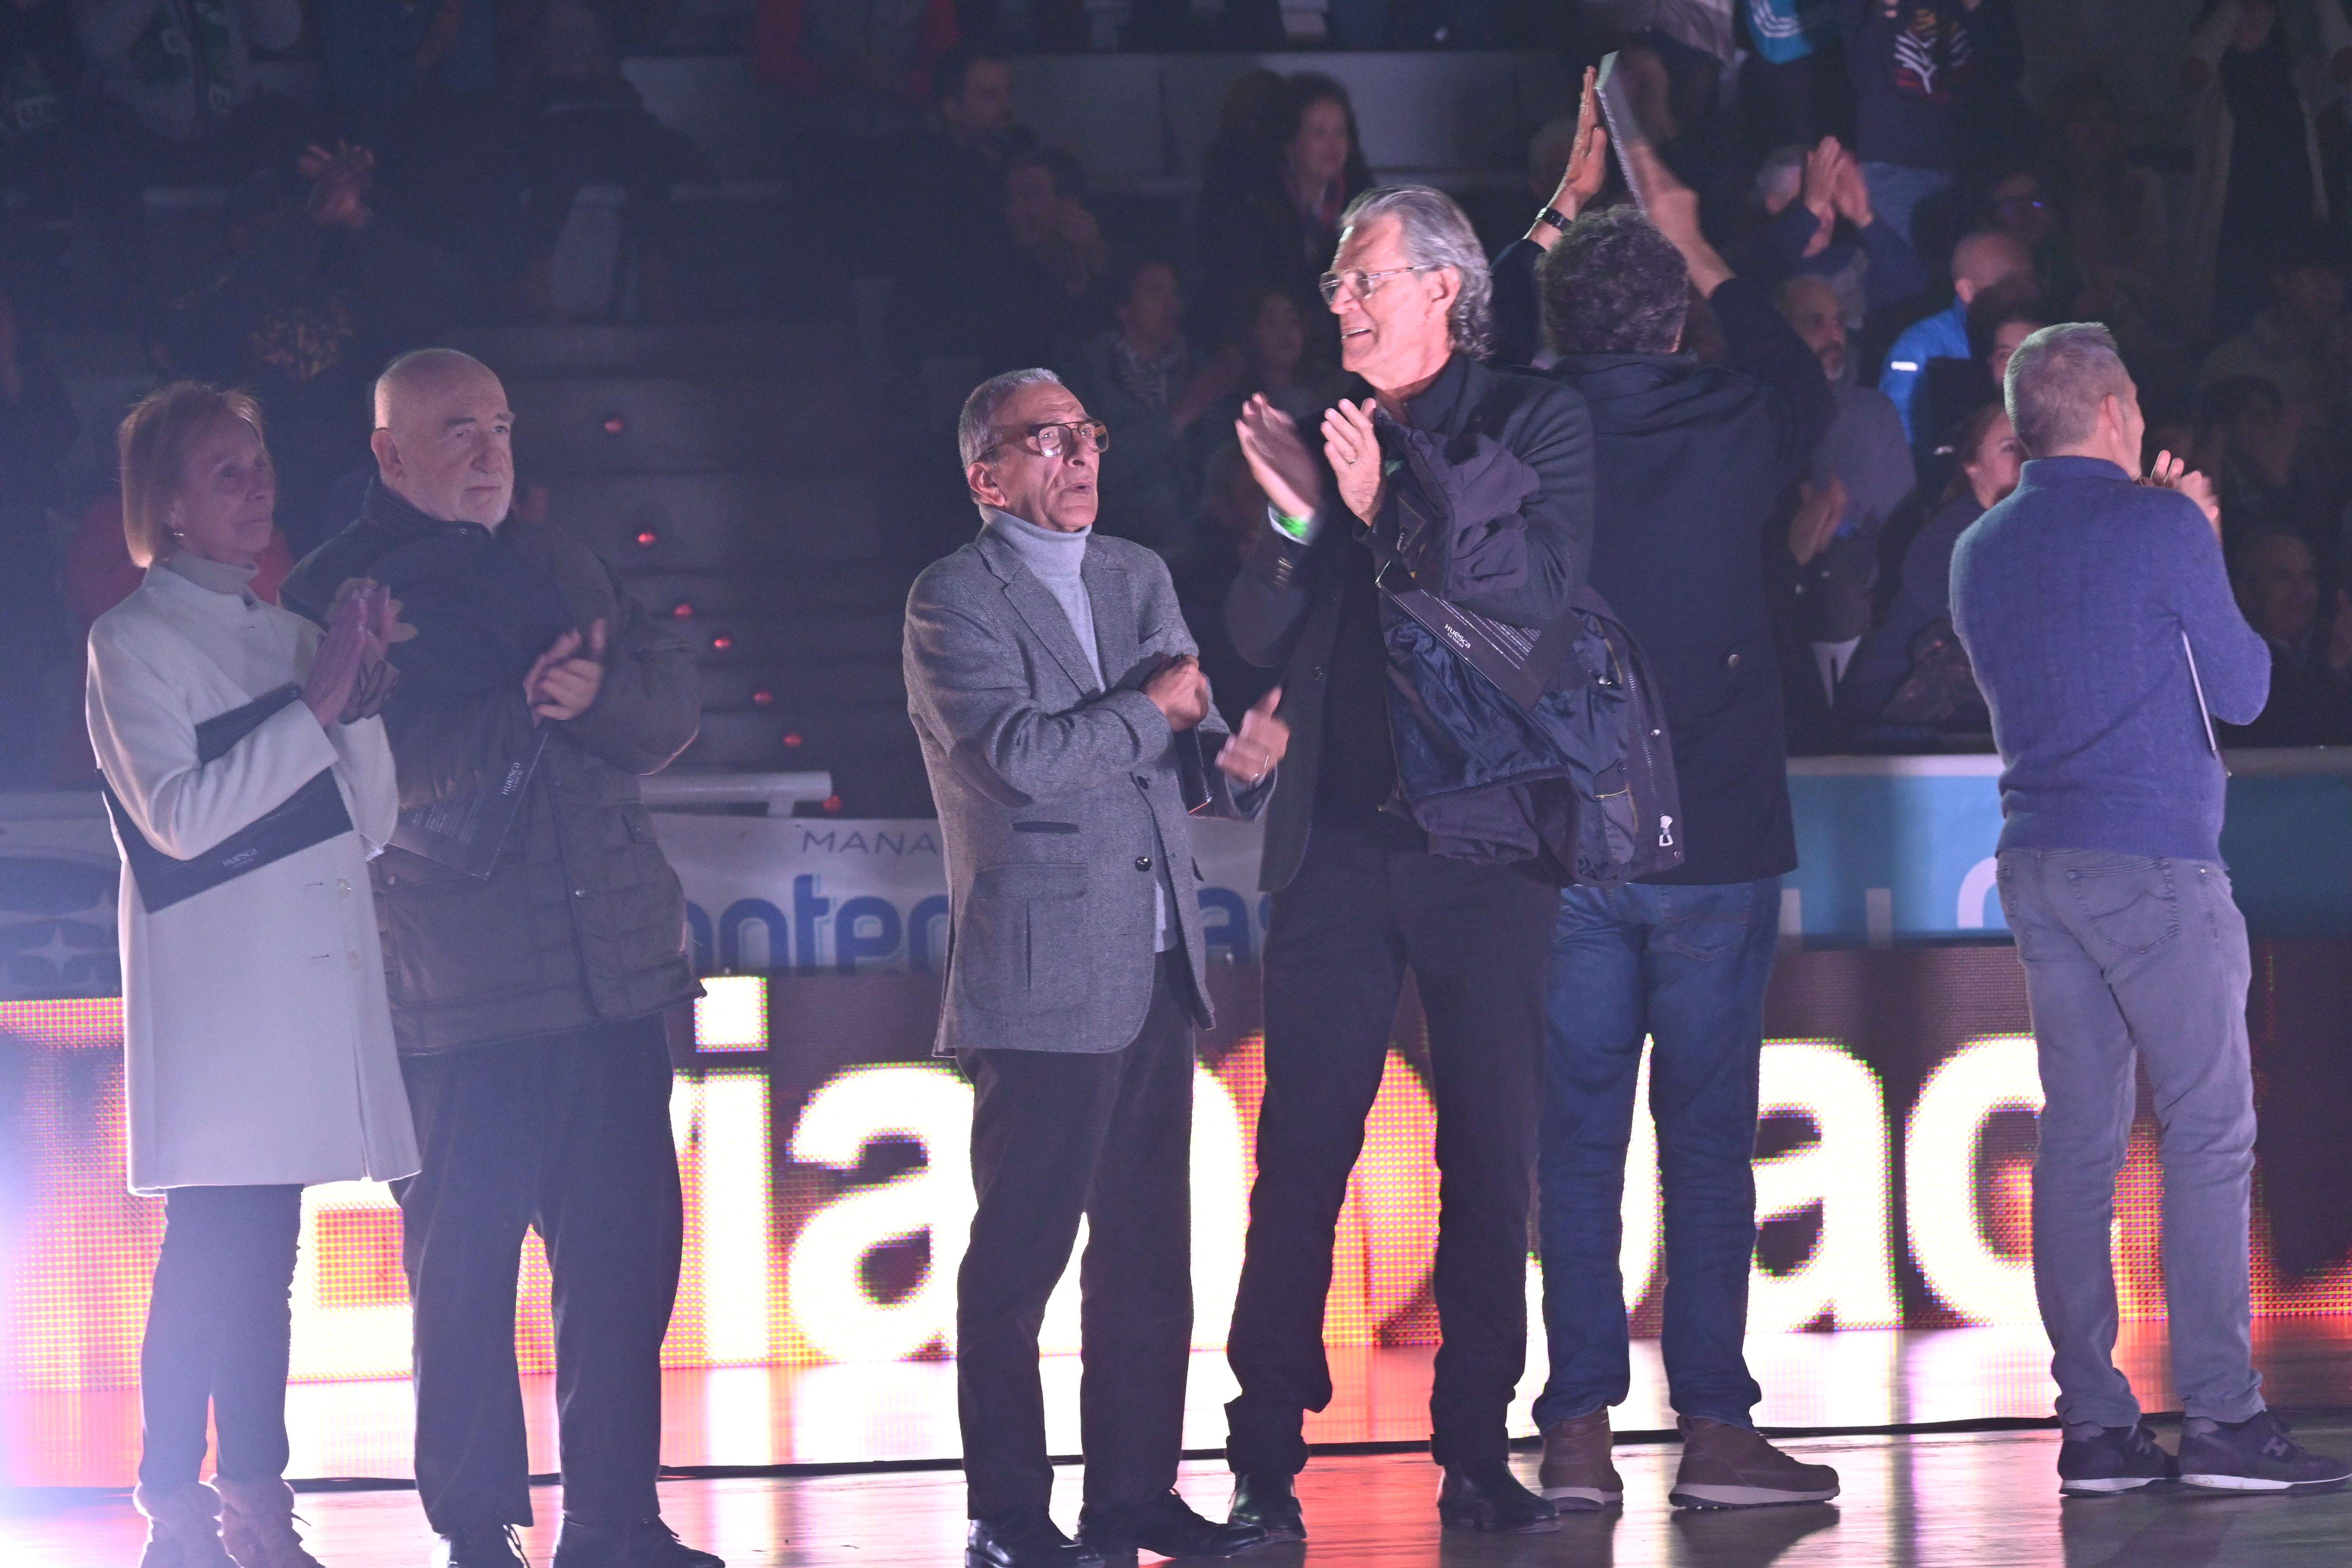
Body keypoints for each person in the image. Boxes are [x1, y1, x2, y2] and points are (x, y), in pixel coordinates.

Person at [280, 349, 715, 1568]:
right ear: (387, 454)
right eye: (458, 430)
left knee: (624, 1271)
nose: (489, 452)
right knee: (462, 1287)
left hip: (608, 975)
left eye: (503, 429)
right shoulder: (329, 596)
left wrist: (594, 699)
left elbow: (668, 702)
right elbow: (380, 782)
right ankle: (478, 1532)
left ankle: (619, 1524)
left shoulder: (560, 556)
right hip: (454, 1001)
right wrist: (528, 707)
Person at [1221, 184, 1593, 1540]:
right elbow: (1257, 630)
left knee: (1490, 1153)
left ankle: (1475, 1443)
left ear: (1443, 287)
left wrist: (1383, 506)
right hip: (1335, 841)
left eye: (1362, 276)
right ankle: (1264, 1446)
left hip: (1484, 843)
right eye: (1332, 281)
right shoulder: (1333, 430)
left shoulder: (1527, 420)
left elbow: (1527, 606)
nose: (1339, 300)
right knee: (1300, 1148)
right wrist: (1294, 525)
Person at [1949, 321, 2351, 1497]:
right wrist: (2205, 541)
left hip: (2039, 860)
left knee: (2079, 1144)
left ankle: (2097, 1428)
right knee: (2209, 1134)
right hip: (2157, 867)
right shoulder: (2163, 524)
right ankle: (2223, 1418)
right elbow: (2246, 684)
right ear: (2116, 412)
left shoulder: (1979, 547)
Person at [904, 368, 1285, 1568]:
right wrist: (1159, 717)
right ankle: (1008, 1512)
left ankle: (1132, 1498)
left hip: (1159, 958)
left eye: (1089, 434)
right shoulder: (952, 599)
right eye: (1046, 439)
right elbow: (1017, 757)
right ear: (988, 475)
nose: (1078, 456)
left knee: (1145, 1258)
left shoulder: (1137, 575)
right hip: (1040, 974)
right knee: (1018, 1260)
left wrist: (1239, 763)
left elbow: (1182, 740)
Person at [1511, 147, 1838, 1511]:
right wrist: (1689, 235)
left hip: (1565, 839)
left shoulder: (1513, 428)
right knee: (1702, 1142)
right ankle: (1710, 1432)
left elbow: (1431, 362)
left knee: (1576, 1141)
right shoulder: (1734, 417)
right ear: (1672, 322)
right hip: (1707, 840)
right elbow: (1803, 371)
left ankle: (1577, 1432)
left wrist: (1545, 232)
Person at [88, 382, 419, 1568]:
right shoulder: (130, 641)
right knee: (217, 1245)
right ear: (166, 508)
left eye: (261, 463)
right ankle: (184, 1500)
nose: (258, 487)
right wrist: (320, 701)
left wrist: (359, 699)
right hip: (224, 995)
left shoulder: (286, 631)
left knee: (257, 1252)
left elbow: (371, 824)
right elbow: (178, 817)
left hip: (302, 984)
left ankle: (246, 1501)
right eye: (225, 472)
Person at [160, 145, 464, 555]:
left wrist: (360, 222)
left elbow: (433, 309)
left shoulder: (360, 282)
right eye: (280, 226)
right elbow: (199, 338)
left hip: (351, 489)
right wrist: (306, 226)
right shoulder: (216, 287)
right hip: (244, 491)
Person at [1775, 273, 1916, 706]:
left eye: (1838, 321)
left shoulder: (1873, 416)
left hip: (1860, 623)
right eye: (1816, 323)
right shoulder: (1751, 414)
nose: (1833, 335)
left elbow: (1900, 527)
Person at [1838, 401, 2020, 732]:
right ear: (1972, 465)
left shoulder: (2019, 530)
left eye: (2036, 446)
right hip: (1885, 729)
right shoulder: (1953, 540)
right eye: (2010, 448)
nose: (2026, 459)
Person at [2180, 0, 2352, 338]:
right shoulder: (2210, 89)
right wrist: (2232, 10)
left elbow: (2346, 66)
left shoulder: (2297, 79)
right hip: (2233, 247)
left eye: (2264, 6)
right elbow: (2195, 68)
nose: (2253, 14)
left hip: (2295, 238)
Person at [1057, 256, 1241, 561]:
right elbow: (1098, 464)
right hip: (1116, 547)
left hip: (1200, 546)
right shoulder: (1087, 371)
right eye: (1156, 293)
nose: (1171, 305)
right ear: (1124, 307)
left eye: (1174, 293)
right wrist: (1181, 415)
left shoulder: (1200, 368)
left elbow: (1220, 458)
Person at [1195, 72, 1371, 352]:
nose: (1333, 145)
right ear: (1290, 141)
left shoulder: (1363, 202)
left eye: (1340, 133)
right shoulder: (1252, 199)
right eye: (1319, 133)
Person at [1837, 0, 1983, 248]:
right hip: (1896, 165)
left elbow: (2008, 69)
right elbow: (1865, 75)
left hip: (1969, 162)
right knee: (1908, 271)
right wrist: (1888, 12)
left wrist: (1979, 13)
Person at [1879, 229, 2034, 444]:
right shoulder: (1919, 349)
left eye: (2028, 281)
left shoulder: (2043, 335)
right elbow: (1900, 439)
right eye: (2006, 285)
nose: (2021, 294)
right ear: (1967, 291)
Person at [2222, 529, 2352, 744]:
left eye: (2308, 577)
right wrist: (2334, 668)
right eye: (2283, 578)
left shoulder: (2331, 641)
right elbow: (2288, 737)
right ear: (2247, 591)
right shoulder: (2235, 664)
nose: (2301, 592)